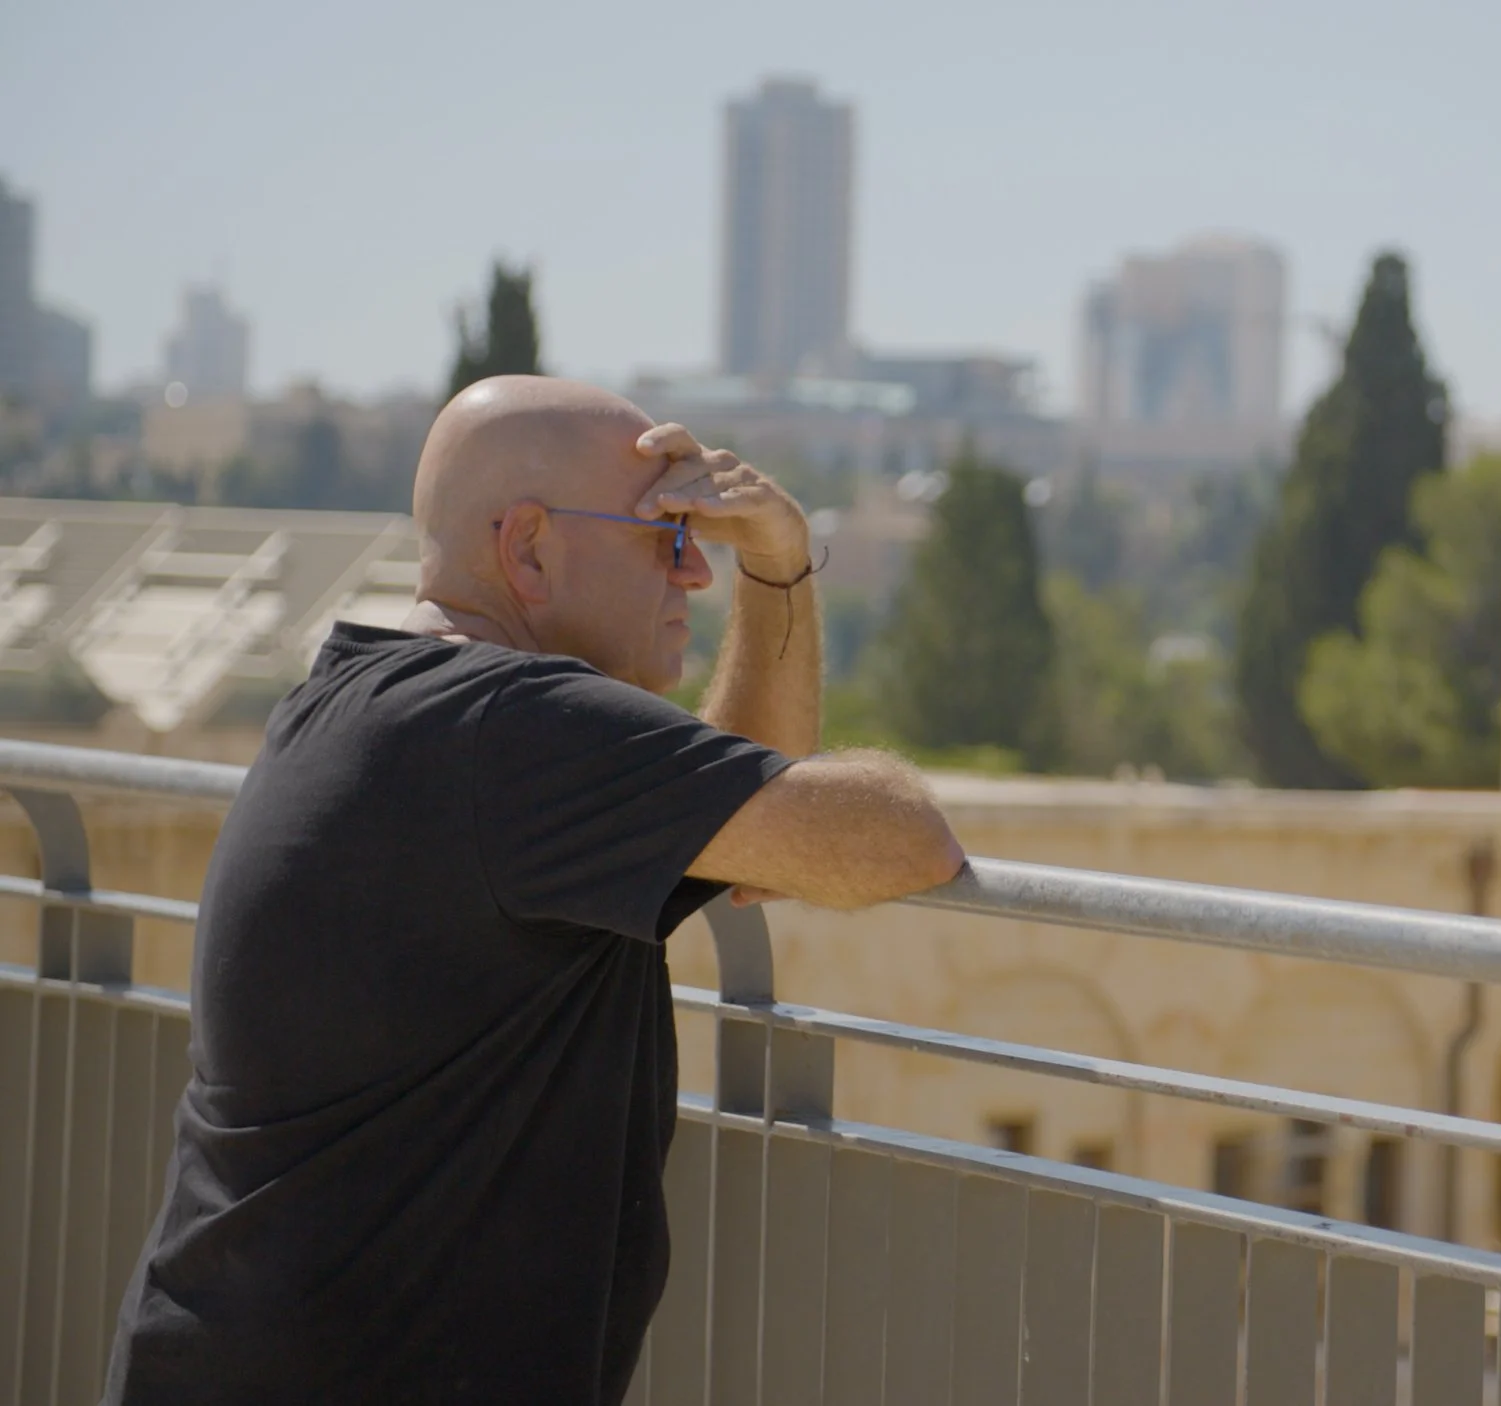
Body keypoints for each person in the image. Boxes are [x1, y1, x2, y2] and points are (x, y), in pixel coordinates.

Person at [104, 375, 965, 1405]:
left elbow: (750, 826)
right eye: (667, 534)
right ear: (529, 547)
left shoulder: (378, 703)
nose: (694, 572)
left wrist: (777, 568)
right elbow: (898, 839)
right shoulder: (511, 732)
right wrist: (775, 565)